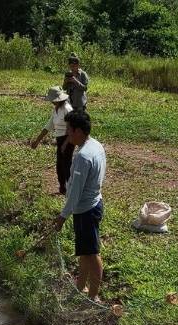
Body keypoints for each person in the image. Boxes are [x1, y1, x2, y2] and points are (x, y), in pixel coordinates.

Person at [58, 110, 105, 300]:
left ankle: (92, 298)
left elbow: (75, 192)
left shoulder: (83, 157)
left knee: (92, 255)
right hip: (94, 204)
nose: (67, 133)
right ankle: (80, 287)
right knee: (84, 253)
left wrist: (63, 216)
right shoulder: (96, 146)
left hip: (85, 211)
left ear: (78, 130)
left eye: (68, 129)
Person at [26, 85, 75, 195]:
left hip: (68, 138)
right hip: (59, 139)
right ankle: (62, 187)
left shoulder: (67, 109)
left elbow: (73, 127)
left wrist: (66, 143)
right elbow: (49, 125)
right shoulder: (56, 109)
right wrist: (37, 140)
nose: (52, 102)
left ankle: (72, 188)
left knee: (66, 164)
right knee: (59, 164)